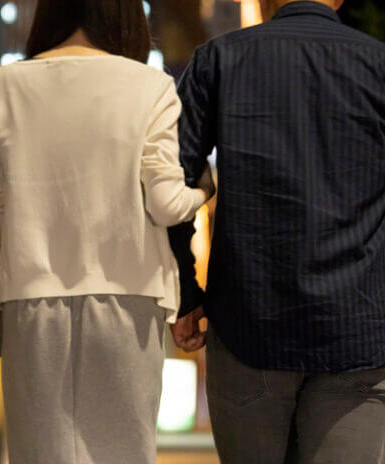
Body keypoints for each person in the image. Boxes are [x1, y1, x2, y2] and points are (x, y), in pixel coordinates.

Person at [0, 0, 214, 462]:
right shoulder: (149, 86)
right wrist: (203, 190)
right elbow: (166, 205)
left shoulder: (1, 87)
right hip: (130, 296)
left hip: (31, 297)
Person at [168, 0, 385, 462]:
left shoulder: (219, 59)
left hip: (249, 325)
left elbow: (172, 182)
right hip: (360, 331)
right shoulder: (378, 63)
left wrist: (185, 292)